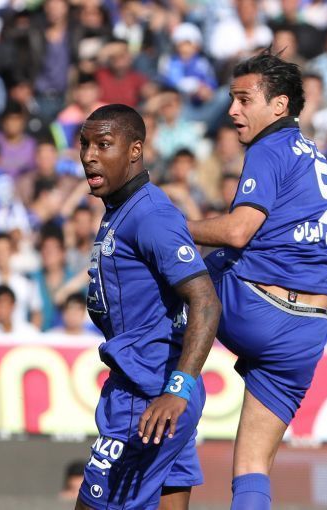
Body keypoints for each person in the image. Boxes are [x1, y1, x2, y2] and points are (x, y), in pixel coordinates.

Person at [185, 52, 327, 509]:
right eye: (231, 99)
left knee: (172, 265)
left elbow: (238, 230)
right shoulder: (312, 154)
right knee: (252, 467)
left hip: (258, 308)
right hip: (308, 331)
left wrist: (171, 227)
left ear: (279, 106)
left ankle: (161, 400)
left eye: (243, 99)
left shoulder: (268, 148)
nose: (232, 110)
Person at [74, 104, 221, 510]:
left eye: (104, 144)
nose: (89, 156)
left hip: (148, 397)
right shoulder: (121, 210)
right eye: (85, 144)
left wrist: (177, 390)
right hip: (151, 390)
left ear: (135, 150)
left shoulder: (151, 215)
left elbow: (205, 301)